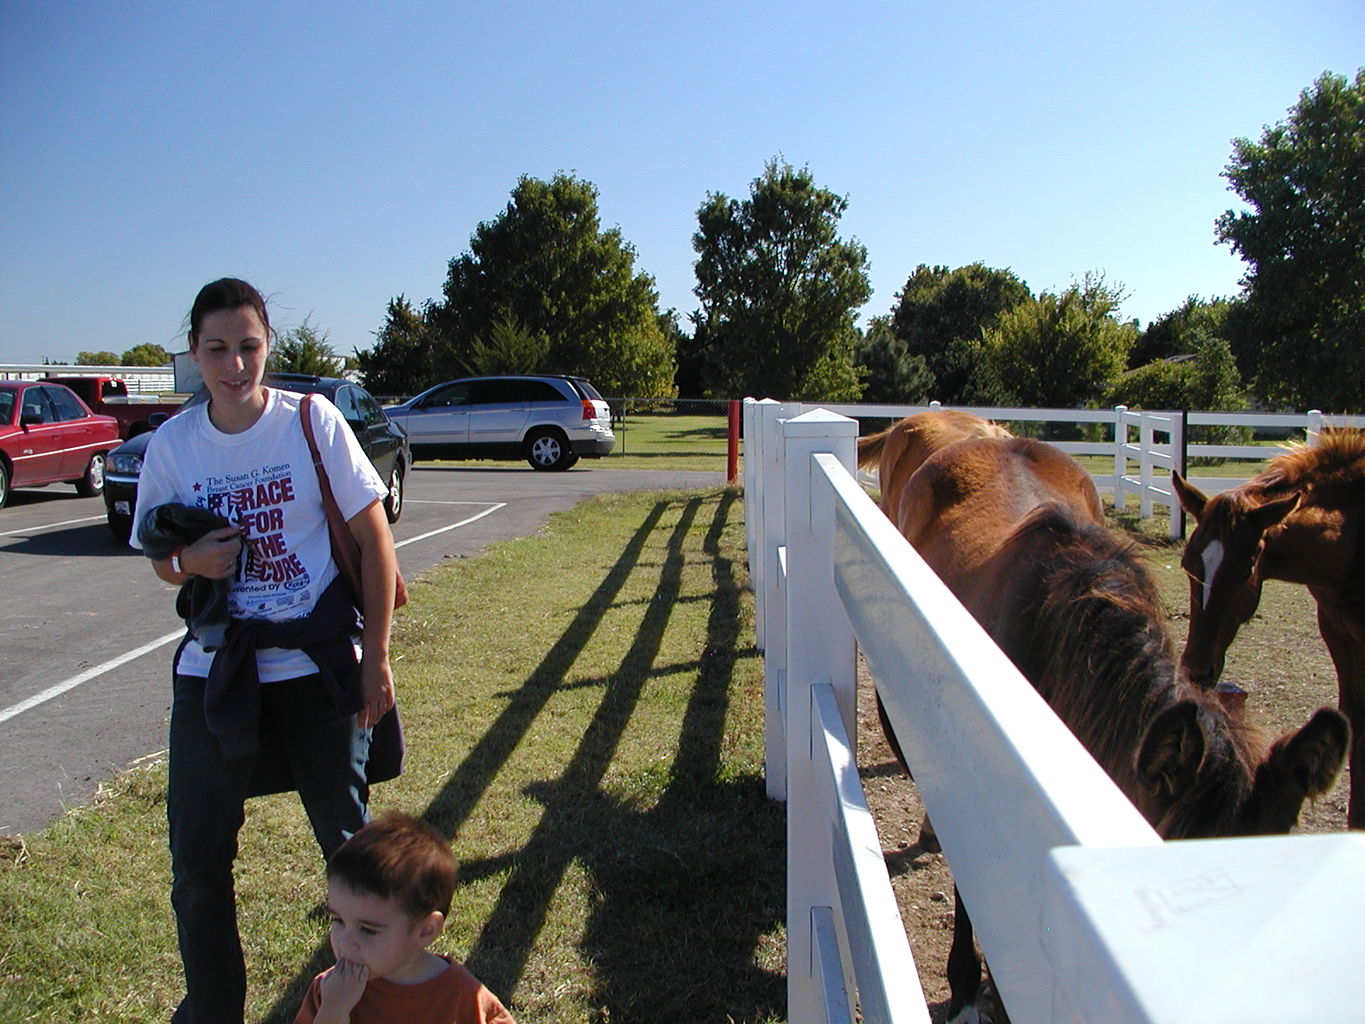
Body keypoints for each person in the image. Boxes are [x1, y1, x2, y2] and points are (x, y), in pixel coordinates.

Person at [133, 277, 401, 1023]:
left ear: (267, 347)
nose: (234, 363)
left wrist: (374, 656)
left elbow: (375, 541)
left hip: (316, 668)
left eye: (248, 346)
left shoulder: (309, 421)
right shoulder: (176, 444)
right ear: (193, 354)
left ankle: (372, 1005)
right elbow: (157, 555)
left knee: (350, 856)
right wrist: (191, 565)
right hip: (218, 673)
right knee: (197, 868)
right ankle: (214, 1011)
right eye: (216, 349)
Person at [295, 811, 517, 1024]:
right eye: (338, 920)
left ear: (425, 930)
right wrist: (333, 1011)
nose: (345, 941)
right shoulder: (329, 991)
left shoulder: (462, 996)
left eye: (368, 929)